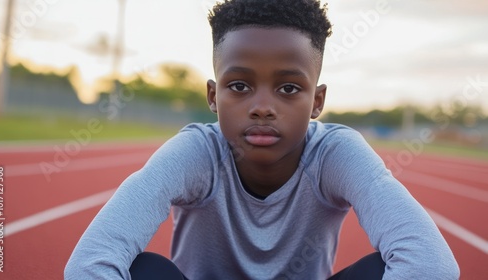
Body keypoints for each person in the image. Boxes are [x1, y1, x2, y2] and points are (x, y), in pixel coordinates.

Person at [65, 0, 460, 279]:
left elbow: (432, 264)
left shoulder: (336, 154)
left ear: (317, 101)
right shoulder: (196, 153)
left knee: (379, 269)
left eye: (288, 89)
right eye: (239, 85)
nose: (262, 107)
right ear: (213, 97)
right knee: (144, 269)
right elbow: (91, 262)